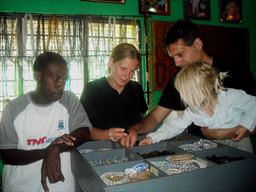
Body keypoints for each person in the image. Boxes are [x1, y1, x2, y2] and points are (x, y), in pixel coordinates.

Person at [121, 19, 256, 148]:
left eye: (180, 54)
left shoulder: (236, 72)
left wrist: (226, 133)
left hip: (239, 147)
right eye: (172, 57)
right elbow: (156, 118)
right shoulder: (179, 81)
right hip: (202, 150)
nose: (176, 63)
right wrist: (136, 130)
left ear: (197, 44)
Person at [0, 52, 92, 192]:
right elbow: (7, 155)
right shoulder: (14, 109)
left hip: (61, 187)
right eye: (56, 78)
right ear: (38, 76)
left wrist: (56, 148)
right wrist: (46, 152)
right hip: (20, 187)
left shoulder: (68, 100)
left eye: (64, 79)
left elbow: (84, 132)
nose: (61, 85)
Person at [139, 62, 256, 152]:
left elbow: (254, 104)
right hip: (216, 144)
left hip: (241, 142)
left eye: (187, 93)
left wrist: (246, 124)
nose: (184, 98)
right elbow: (174, 126)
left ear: (203, 88)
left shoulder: (231, 96)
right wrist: (153, 138)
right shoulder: (193, 111)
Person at [80, 43, 148, 142]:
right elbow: (83, 129)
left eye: (132, 71)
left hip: (132, 146)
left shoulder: (136, 88)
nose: (127, 75)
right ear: (111, 62)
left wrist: (134, 130)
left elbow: (142, 121)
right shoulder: (92, 89)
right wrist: (106, 134)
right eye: (123, 68)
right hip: (100, 149)